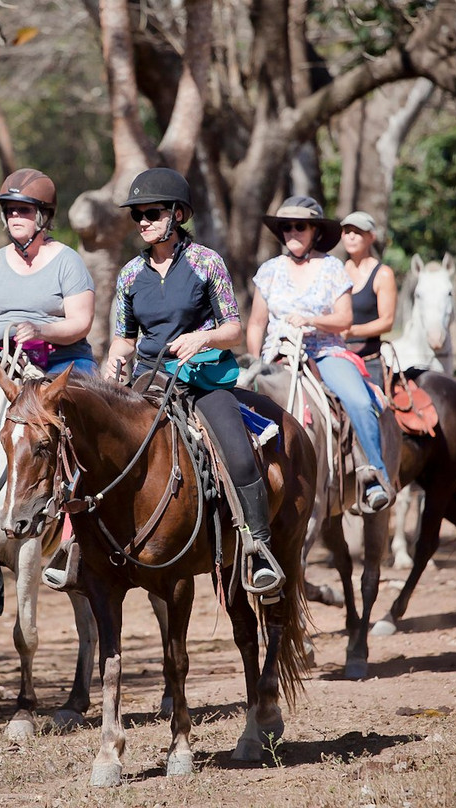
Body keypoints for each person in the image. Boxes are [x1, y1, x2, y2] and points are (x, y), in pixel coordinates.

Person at [102, 167, 283, 597]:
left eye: (152, 212)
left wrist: (202, 337)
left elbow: (234, 329)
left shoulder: (206, 263)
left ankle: (259, 549)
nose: (143, 221)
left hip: (202, 379)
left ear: (177, 214)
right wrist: (113, 362)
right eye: (137, 215)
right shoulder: (129, 275)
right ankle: (78, 548)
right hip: (149, 378)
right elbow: (123, 339)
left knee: (238, 455)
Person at [245, 196, 393, 512]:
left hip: (325, 352)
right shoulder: (269, 270)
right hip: (277, 355)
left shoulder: (331, 268)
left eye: (300, 226)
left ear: (314, 230)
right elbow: (257, 322)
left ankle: (372, 475)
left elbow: (344, 320)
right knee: (239, 401)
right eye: (287, 227)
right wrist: (256, 360)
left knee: (359, 400)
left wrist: (311, 320)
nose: (293, 232)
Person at [0, 167, 98, 376]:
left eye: (24, 209)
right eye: (10, 210)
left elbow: (81, 323)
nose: (15, 215)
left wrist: (40, 331)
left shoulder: (69, 262)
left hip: (61, 362)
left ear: (43, 215)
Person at [340, 211, 397, 382]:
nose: (351, 236)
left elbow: (387, 322)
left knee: (366, 407)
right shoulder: (338, 271)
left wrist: (351, 332)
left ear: (371, 237)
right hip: (337, 357)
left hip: (367, 361)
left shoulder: (383, 274)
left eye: (358, 232)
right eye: (347, 231)